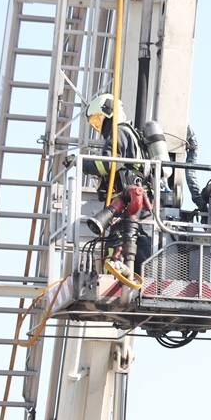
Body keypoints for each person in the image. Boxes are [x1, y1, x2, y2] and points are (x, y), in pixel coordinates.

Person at [81, 92, 151, 285]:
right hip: (134, 201)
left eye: (98, 119)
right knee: (136, 240)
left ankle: (117, 279)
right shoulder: (128, 132)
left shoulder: (118, 132)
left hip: (128, 201)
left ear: (109, 112)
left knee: (118, 241)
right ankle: (138, 276)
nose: (98, 126)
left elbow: (107, 164)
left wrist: (81, 163)